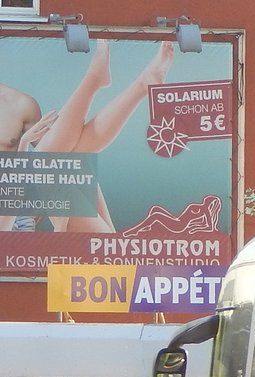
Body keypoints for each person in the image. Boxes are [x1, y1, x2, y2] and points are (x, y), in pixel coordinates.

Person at [2, 39, 174, 232]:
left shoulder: (18, 104)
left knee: (61, 162)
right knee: (54, 163)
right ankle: (118, 82)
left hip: (18, 202)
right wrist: (59, 229)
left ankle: (131, 83)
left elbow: (65, 158)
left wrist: (25, 143)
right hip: (17, 232)